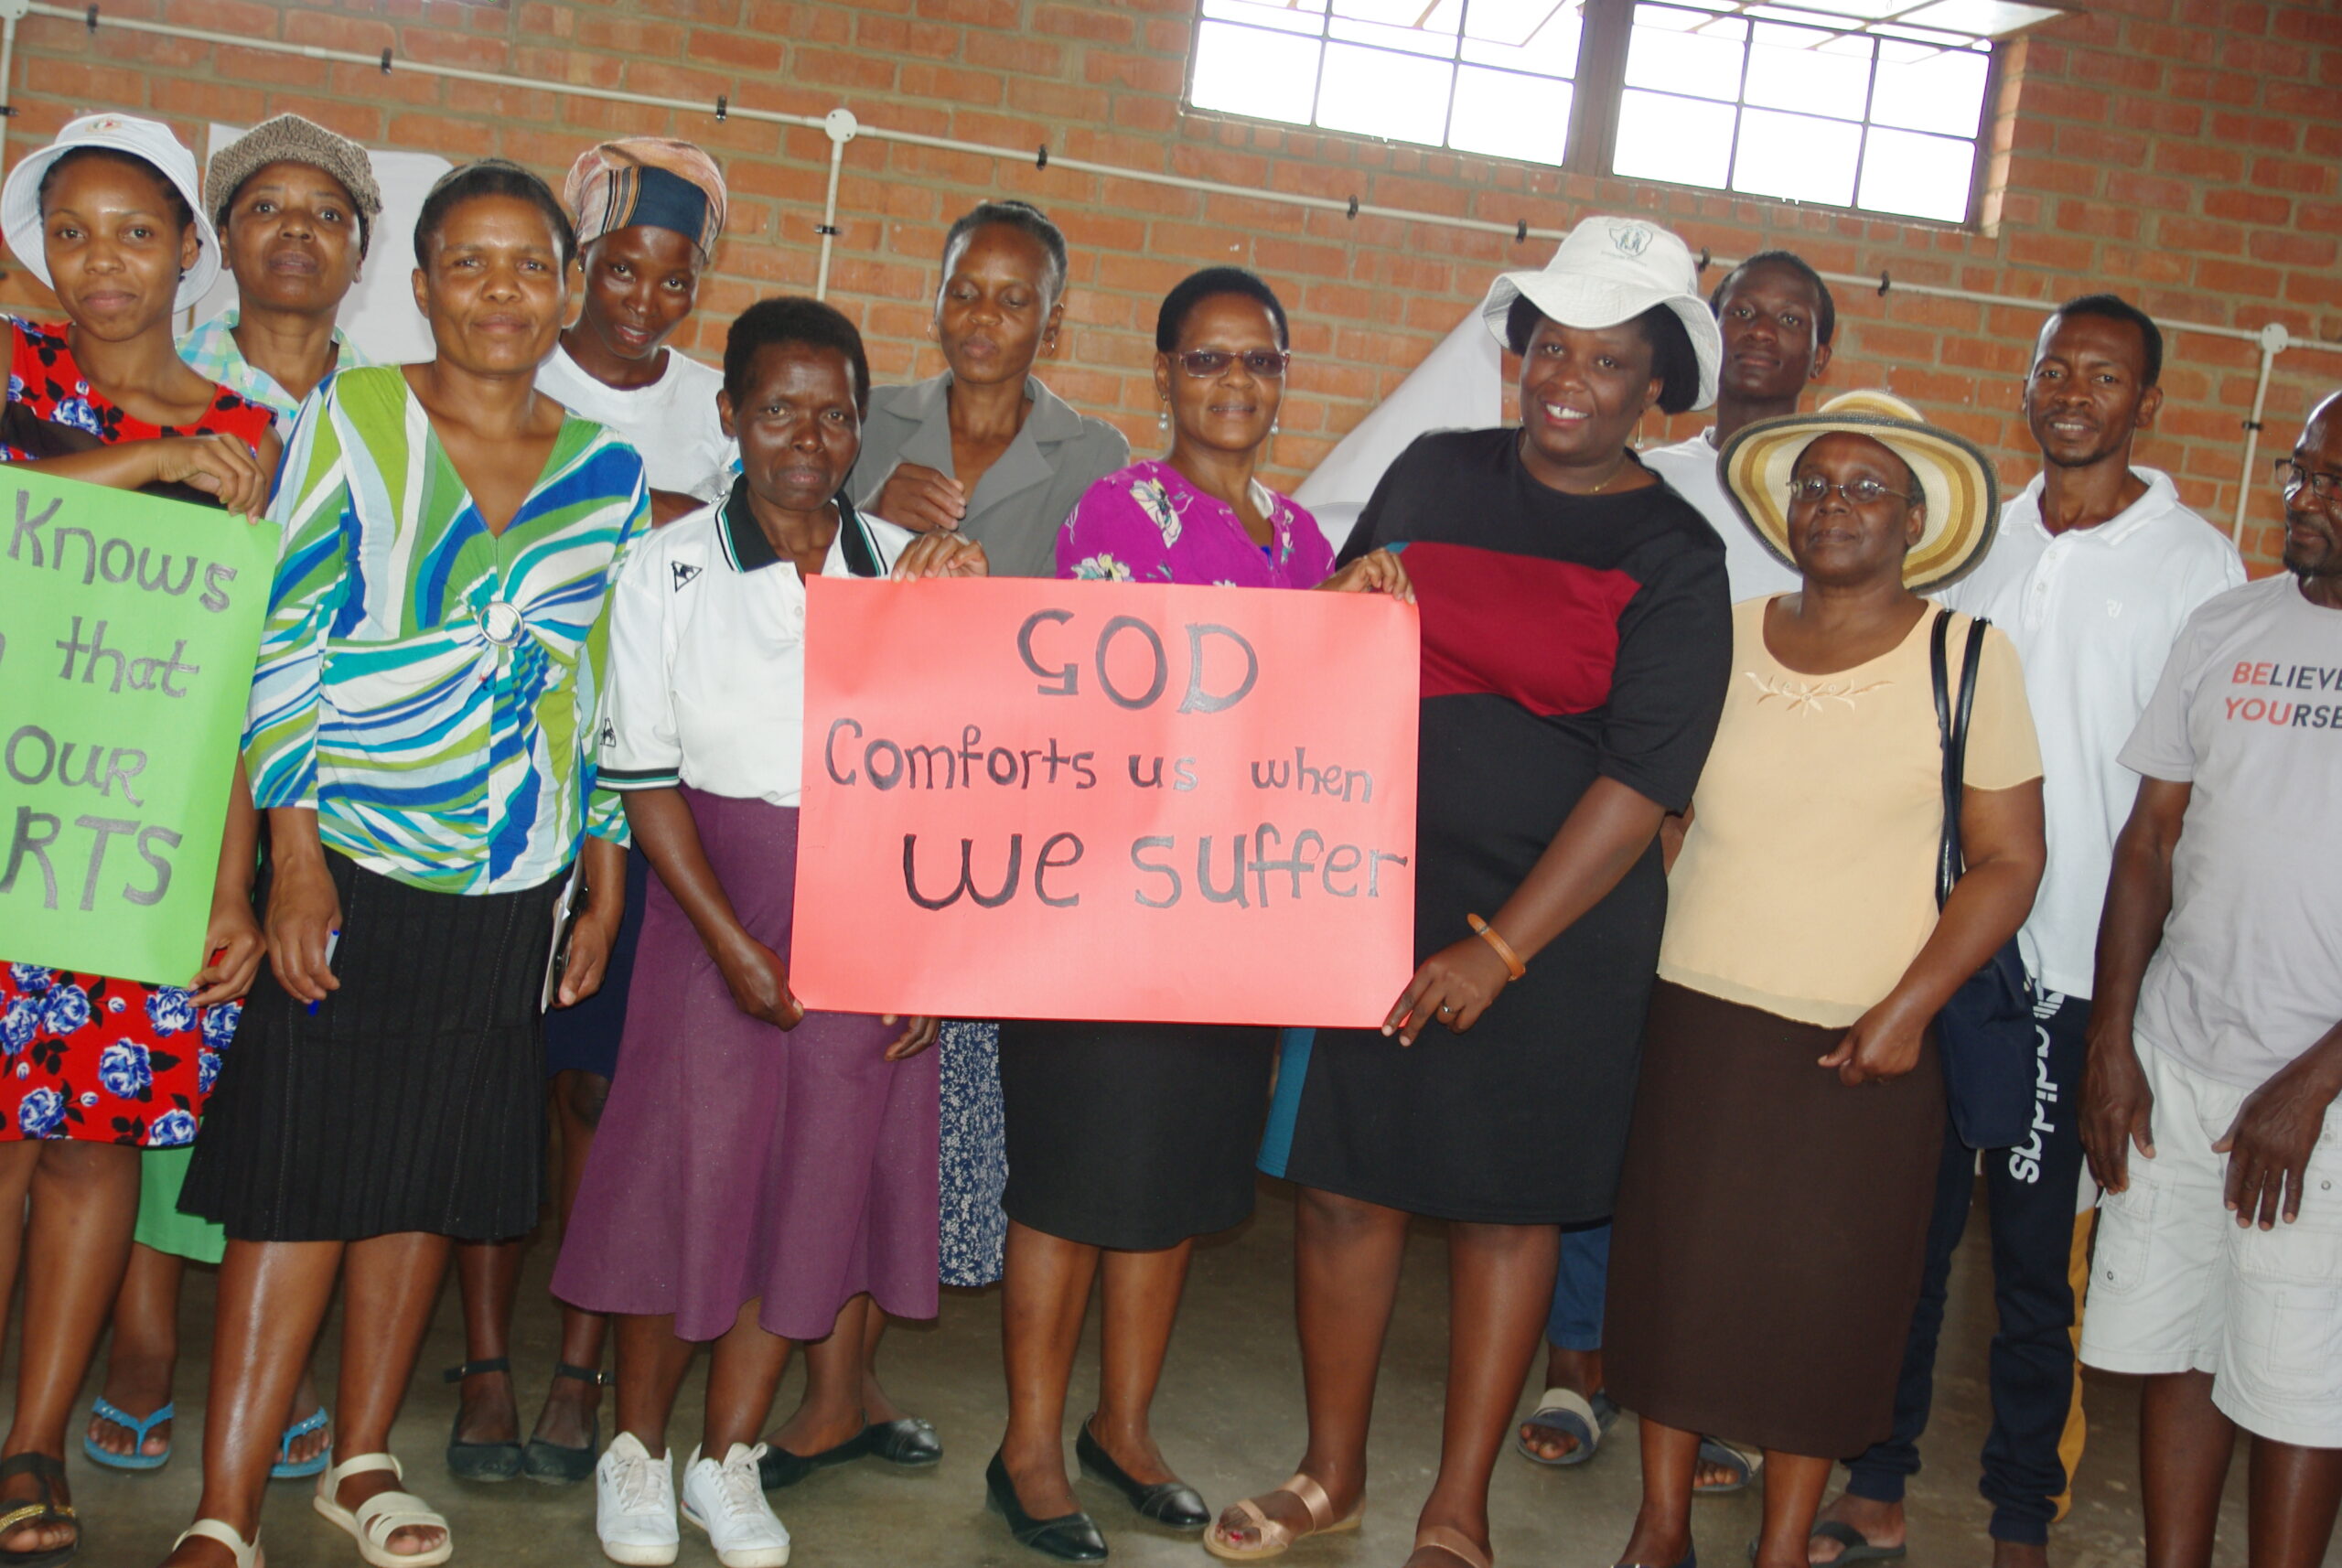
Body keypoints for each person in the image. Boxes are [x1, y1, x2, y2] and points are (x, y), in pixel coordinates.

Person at [1218, 216, 1732, 1568]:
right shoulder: (1435, 472)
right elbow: (1342, 648)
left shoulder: (1679, 558)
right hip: (1371, 891)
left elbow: (1642, 782)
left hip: (1554, 933)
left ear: (1655, 385)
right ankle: (1331, 1475)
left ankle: (1458, 1506)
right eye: (1549, 344)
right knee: (1342, 1185)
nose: (1568, 376)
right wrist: (1348, 597)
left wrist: (1498, 949)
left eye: (1609, 358)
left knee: (1507, 1211)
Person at [159, 158, 645, 1568]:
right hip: (356, 862)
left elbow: (599, 683)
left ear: (564, 294)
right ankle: (226, 1503)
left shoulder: (605, 470)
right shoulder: (355, 418)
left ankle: (362, 1461)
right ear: (421, 288)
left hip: (511, 883)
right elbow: (286, 647)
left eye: (528, 266)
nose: (502, 290)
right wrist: (289, 862)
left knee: (426, 1174)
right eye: (469, 265)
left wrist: (600, 869)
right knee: (299, 1181)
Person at [553, 295, 985, 1568]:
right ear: (731, 416)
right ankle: (636, 1449)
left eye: (835, 410)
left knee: (808, 1189)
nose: (808, 434)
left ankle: (728, 1456)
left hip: (869, 907)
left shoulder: (903, 565)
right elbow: (644, 775)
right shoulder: (669, 566)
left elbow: (954, 773)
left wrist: (924, 956)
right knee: (691, 1178)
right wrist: (732, 942)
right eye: (778, 406)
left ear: (862, 423)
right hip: (713, 904)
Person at [1811, 297, 2244, 1568]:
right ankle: (1877, 1480)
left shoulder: (2197, 568)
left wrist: (2130, 1003)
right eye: (2056, 367)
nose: (2073, 393)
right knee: (1909, 1239)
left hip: (2075, 972)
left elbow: (2185, 808)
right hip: (1945, 956)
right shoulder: (1979, 540)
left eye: (2104, 376)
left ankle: (2017, 1517)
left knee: (2038, 1278)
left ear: (2146, 404)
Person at [989, 265, 1402, 1563]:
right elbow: (1136, 708)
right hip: (1107, 910)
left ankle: (1126, 1424)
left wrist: (1368, 618)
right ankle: (1032, 1443)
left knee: (1167, 1188)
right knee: (1070, 1183)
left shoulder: (1303, 537)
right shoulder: (1124, 509)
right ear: (1163, 374)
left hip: (1235, 929)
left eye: (1260, 361)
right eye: (1209, 360)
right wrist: (1315, 638)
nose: (1237, 384)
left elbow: (1332, 730)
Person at [1605, 392, 2045, 1568]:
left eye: (1864, 489)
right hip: (1697, 1018)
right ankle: (1658, 1525)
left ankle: (1783, 1543)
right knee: (1674, 1283)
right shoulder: (1727, 634)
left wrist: (1907, 1008)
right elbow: (1657, 803)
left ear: (1913, 522)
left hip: (1863, 1046)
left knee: (1824, 1311)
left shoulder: (1967, 657)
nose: (1832, 504)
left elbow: (2010, 862)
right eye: (1812, 484)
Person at [756, 199, 1130, 1484]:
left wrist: (988, 587)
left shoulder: (1097, 453)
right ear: (938, 296)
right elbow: (791, 564)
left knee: (923, 1111)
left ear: (1053, 319)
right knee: (841, 1101)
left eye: (1014, 298)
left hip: (990, 833)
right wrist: (873, 510)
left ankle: (852, 1387)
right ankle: (827, 1390)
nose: (984, 318)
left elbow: (1105, 645)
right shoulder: (865, 422)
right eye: (966, 290)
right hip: (854, 805)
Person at [83, 108, 381, 1488]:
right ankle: (143, 1344)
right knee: (163, 1049)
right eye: (269, 206)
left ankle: (280, 1355)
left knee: (298, 1078)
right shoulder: (158, 384)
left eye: (329, 211)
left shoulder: (397, 410)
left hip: (328, 785)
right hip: (162, 777)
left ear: (363, 250)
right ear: (219, 239)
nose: (299, 232)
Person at [0, 111, 277, 1568]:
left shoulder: (250, 435)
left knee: (93, 1148)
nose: (97, 260)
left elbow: (234, 674)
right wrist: (151, 463)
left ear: (187, 252)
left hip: (131, 840)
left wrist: (230, 880)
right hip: (6, 815)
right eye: (70, 231)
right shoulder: (11, 366)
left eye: (132, 231)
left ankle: (33, 1437)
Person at [442, 135, 736, 1493]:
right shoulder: (510, 368)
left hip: (630, 784)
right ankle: (487, 1354)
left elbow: (743, 558)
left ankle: (577, 1354)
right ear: (572, 270)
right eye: (618, 268)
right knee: (489, 1089)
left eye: (674, 279)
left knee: (595, 1092)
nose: (642, 299)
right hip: (484, 780)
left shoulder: (721, 406)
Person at [1518, 246, 1838, 1488]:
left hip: (1767, 863)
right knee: (1606, 1103)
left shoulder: (1840, 493)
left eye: (1789, 318)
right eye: (1741, 311)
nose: (1761, 331)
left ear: (1823, 351)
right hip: (1634, 836)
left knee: (1718, 1138)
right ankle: (1581, 1360)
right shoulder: (1656, 483)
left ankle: (1704, 1383)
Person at [2079, 394, 2342, 1568]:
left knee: (2296, 1381)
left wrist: (2312, 1084)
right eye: (2301, 471)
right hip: (2180, 1061)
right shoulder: (2228, 623)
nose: (2307, 498)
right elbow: (2147, 841)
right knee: (2174, 1344)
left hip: (2319, 1092)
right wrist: (2112, 1043)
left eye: (2335, 479)